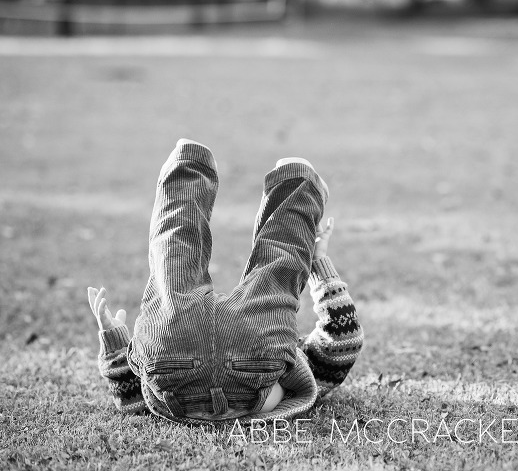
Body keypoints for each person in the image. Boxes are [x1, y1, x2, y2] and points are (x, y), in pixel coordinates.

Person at [87, 138, 363, 425]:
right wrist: (318, 263)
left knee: (278, 264)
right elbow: (132, 400)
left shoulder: (292, 355)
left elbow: (344, 341)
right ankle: (187, 169)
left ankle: (296, 185)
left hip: (221, 350)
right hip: (193, 358)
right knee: (176, 252)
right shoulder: (299, 363)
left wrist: (114, 342)